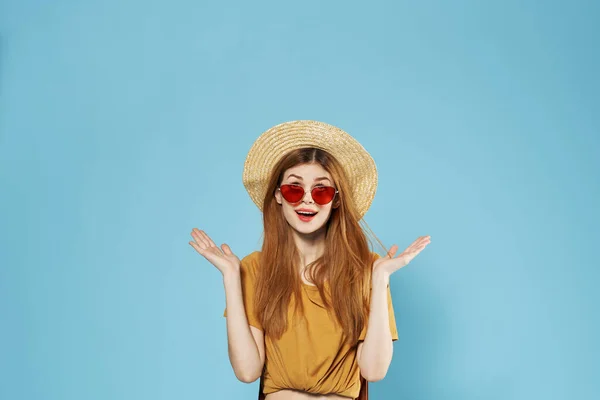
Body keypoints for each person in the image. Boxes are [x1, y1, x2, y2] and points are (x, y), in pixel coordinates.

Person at [189, 120, 431, 399]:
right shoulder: (254, 268)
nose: (307, 201)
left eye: (321, 190)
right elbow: (247, 371)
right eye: (294, 189)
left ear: (336, 200)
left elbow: (374, 371)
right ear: (279, 195)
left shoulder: (368, 269)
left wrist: (379, 279)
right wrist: (231, 277)